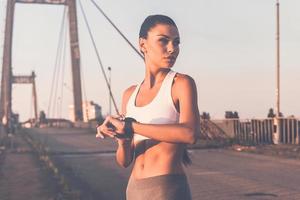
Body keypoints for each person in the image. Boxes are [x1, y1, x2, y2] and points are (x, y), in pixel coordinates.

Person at [97, 14, 200, 200]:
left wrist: (131, 126)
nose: (172, 49)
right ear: (143, 44)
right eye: (163, 41)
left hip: (167, 188)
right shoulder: (129, 94)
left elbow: (190, 133)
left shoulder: (181, 84)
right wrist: (122, 137)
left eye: (176, 42)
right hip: (134, 189)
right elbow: (124, 161)